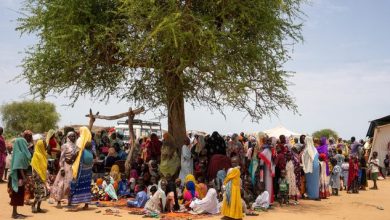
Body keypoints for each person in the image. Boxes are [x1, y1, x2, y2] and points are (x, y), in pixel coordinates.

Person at [52, 131, 77, 208]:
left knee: (71, 184)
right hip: (66, 166)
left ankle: (69, 202)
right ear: (68, 137)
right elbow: (62, 158)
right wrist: (62, 168)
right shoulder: (64, 146)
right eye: (71, 136)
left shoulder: (76, 146)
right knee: (61, 184)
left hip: (73, 167)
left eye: (74, 136)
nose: (73, 138)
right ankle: (58, 201)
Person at [69, 127, 93, 210]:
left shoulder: (80, 140)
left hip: (81, 165)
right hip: (89, 168)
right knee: (87, 185)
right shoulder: (89, 140)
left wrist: (71, 160)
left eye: (80, 131)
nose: (79, 133)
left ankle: (76, 203)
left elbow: (76, 152)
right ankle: (86, 204)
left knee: (77, 183)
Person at [8, 138, 32, 219]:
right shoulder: (20, 154)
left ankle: (15, 212)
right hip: (19, 177)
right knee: (16, 193)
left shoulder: (18, 153)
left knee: (17, 193)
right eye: (24, 143)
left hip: (18, 176)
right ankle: (14, 214)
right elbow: (19, 167)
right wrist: (24, 178)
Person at [31, 140, 48, 213]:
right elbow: (34, 166)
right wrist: (38, 175)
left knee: (43, 192)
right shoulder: (36, 154)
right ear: (40, 145)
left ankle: (38, 207)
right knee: (39, 191)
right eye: (43, 145)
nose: (45, 146)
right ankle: (33, 205)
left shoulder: (44, 154)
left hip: (43, 175)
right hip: (37, 175)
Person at [258, 137, 275, 204]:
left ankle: (267, 200)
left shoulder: (267, 150)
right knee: (269, 184)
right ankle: (269, 200)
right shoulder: (272, 149)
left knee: (267, 184)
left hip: (267, 169)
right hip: (270, 168)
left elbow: (261, 157)